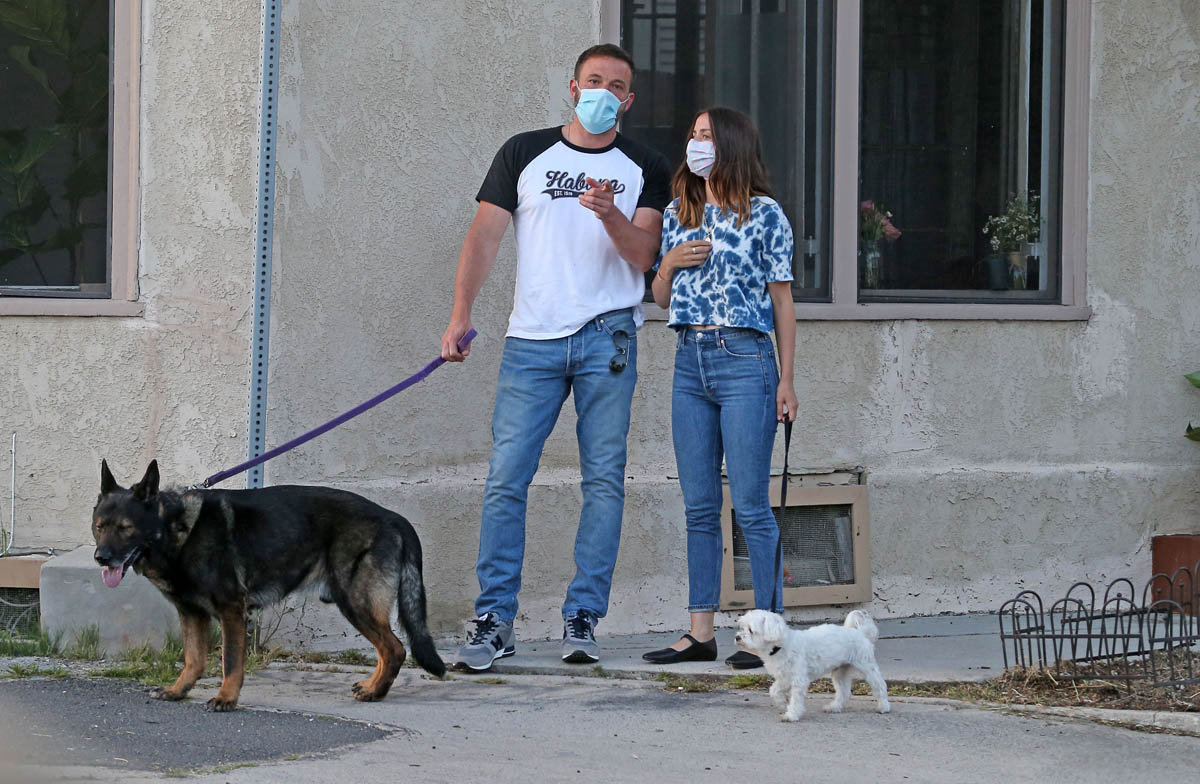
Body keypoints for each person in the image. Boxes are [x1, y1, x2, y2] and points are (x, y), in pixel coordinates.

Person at [440, 44, 672, 671]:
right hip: (531, 340)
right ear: (573, 88)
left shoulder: (646, 164)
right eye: (593, 81)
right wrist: (461, 314)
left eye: (616, 86)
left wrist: (610, 214)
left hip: (608, 338)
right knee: (506, 478)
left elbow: (644, 256)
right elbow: (484, 236)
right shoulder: (524, 152)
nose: (603, 93)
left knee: (603, 480)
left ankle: (583, 615)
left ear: (628, 100)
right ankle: (495, 619)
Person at [641, 107, 798, 670]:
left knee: (752, 505)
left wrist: (787, 379)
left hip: (745, 358)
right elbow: (661, 298)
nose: (696, 143)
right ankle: (699, 633)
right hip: (689, 358)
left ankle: (769, 632)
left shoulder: (764, 214)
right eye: (693, 134)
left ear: (730, 145)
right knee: (700, 506)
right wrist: (668, 264)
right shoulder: (678, 212)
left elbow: (782, 301)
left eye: (706, 135)